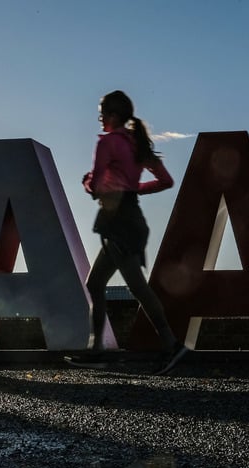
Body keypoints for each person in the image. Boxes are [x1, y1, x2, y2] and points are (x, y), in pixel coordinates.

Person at [67, 90, 188, 375]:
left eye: (101, 113)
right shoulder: (137, 144)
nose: (100, 119)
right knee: (96, 283)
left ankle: (171, 344)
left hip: (117, 220)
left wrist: (87, 181)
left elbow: (95, 185)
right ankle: (97, 348)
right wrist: (134, 189)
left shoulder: (108, 142)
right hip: (131, 219)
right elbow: (166, 181)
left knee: (135, 286)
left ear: (111, 116)